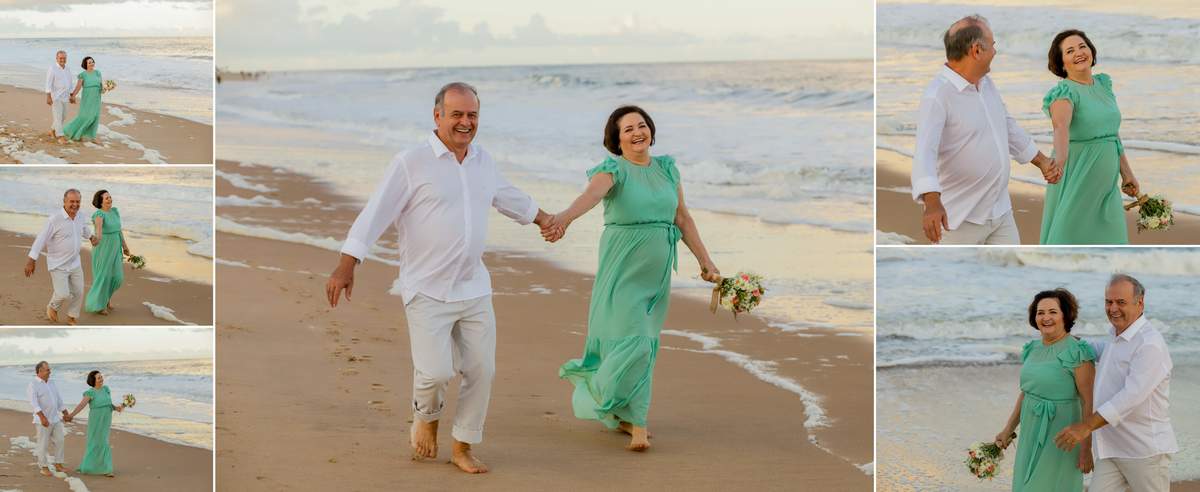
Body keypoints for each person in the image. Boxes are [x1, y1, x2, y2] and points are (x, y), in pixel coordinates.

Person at [325, 82, 556, 474]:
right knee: (434, 373)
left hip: (474, 287)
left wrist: (544, 219)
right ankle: (426, 417)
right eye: (457, 114)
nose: (466, 122)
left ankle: (464, 445)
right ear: (437, 117)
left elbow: (508, 196)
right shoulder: (410, 162)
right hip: (426, 289)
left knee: (482, 370)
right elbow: (375, 213)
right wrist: (347, 263)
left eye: (472, 115)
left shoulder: (483, 160)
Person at [547, 105, 721, 451]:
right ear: (617, 139)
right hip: (622, 269)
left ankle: (628, 415)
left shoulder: (668, 170)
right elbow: (590, 196)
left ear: (651, 131)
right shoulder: (613, 170)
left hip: (656, 277)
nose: (637, 132)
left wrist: (706, 262)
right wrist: (564, 218)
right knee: (636, 341)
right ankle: (635, 421)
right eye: (628, 129)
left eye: (642, 125)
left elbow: (682, 219)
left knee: (646, 344)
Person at [911, 15, 1056, 245]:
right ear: (977, 50)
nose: (995, 52)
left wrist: (1041, 161)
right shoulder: (938, 95)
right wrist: (931, 203)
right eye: (993, 45)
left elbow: (1006, 126)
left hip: (1001, 212)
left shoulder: (986, 83)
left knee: (1011, 276)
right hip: (959, 219)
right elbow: (924, 152)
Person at [1054, 274, 1178, 492]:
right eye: (1108, 301)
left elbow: (1129, 398)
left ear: (1140, 303)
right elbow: (1100, 350)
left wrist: (1085, 427)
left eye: (1120, 302)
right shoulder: (1117, 335)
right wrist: (1061, 338)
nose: (1113, 308)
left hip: (1144, 452)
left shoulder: (1150, 344)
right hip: (1112, 450)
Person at [1039, 30, 1139, 244]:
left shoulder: (1103, 85)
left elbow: (1112, 132)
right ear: (1062, 62)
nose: (1079, 53)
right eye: (1070, 50)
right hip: (1077, 174)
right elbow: (1060, 128)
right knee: (1069, 235)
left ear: (1091, 51)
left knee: (1112, 238)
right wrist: (1060, 162)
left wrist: (1127, 173)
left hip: (1106, 184)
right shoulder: (1064, 92)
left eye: (1082, 46)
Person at [995, 289, 1095, 491]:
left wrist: (1086, 447)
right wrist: (1008, 429)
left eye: (1052, 312)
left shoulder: (1078, 351)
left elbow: (1088, 402)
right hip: (1030, 430)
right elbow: (1026, 393)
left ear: (1065, 315)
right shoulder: (1032, 348)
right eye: (1040, 313)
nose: (1046, 318)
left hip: (1062, 435)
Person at [25, 189, 98, 325]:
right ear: (64, 202)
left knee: (78, 292)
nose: (75, 205)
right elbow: (41, 239)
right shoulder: (55, 219)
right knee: (63, 293)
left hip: (75, 263)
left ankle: (71, 316)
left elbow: (83, 229)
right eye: (72, 201)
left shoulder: (80, 216)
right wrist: (31, 260)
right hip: (58, 264)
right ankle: (52, 306)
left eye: (78, 201)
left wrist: (91, 237)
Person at [67, 370, 126, 477]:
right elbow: (82, 405)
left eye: (101, 377)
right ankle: (88, 467)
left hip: (106, 419)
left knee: (104, 442)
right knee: (94, 442)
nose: (101, 379)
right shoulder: (90, 392)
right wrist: (71, 415)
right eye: (98, 378)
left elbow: (108, 403)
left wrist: (118, 408)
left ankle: (107, 469)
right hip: (95, 420)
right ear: (93, 380)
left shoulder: (106, 389)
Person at [85, 189, 131, 314]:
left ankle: (106, 298)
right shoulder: (99, 215)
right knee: (104, 276)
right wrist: (96, 239)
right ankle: (100, 305)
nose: (110, 199)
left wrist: (125, 246)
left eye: (110, 197)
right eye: (106, 198)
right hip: (103, 248)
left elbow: (119, 230)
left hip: (115, 248)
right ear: (100, 202)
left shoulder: (115, 211)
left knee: (117, 277)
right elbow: (98, 231)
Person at [26, 361, 73, 477]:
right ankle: (44, 466)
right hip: (43, 420)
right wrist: (42, 417)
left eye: (49, 369)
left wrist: (66, 413)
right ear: (40, 371)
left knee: (60, 440)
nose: (50, 371)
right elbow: (34, 403)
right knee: (43, 444)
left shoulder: (51, 382)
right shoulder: (33, 384)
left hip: (55, 418)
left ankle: (58, 465)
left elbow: (58, 399)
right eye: (47, 370)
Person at [62, 56, 104, 143]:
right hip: (87, 97)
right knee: (85, 116)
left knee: (95, 117)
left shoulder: (98, 73)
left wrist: (107, 88)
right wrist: (73, 95)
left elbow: (101, 86)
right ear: (86, 65)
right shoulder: (83, 75)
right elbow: (78, 87)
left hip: (96, 97)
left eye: (92, 62)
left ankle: (93, 137)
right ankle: (68, 130)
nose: (92, 63)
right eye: (89, 62)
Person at [45, 50, 75, 144]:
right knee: (58, 117)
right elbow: (48, 83)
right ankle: (60, 136)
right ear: (56, 58)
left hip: (65, 96)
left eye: (64, 58)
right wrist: (48, 96)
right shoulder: (52, 68)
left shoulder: (67, 69)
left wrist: (71, 95)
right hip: (56, 96)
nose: (62, 59)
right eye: (60, 58)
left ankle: (52, 131)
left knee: (63, 116)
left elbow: (70, 82)